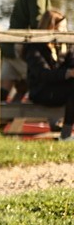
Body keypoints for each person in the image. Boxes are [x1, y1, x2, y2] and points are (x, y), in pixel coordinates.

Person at [3, 0, 62, 101]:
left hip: (12, 45)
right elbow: (39, 23)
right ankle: (56, 121)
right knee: (45, 78)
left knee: (8, 90)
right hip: (21, 47)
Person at [21, 9, 74, 140]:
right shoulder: (34, 47)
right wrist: (67, 73)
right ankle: (66, 135)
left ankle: (66, 133)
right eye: (61, 27)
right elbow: (43, 74)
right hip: (42, 91)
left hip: (62, 89)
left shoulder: (66, 45)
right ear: (51, 27)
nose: (64, 31)